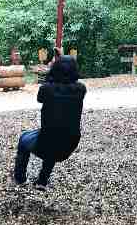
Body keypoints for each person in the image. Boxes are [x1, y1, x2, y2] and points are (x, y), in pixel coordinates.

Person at [13, 53, 86, 188]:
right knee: (56, 137)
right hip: (70, 142)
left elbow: (40, 97)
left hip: (46, 142)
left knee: (24, 139)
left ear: (56, 69)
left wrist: (51, 69)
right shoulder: (81, 89)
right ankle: (42, 180)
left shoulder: (47, 89)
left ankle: (20, 178)